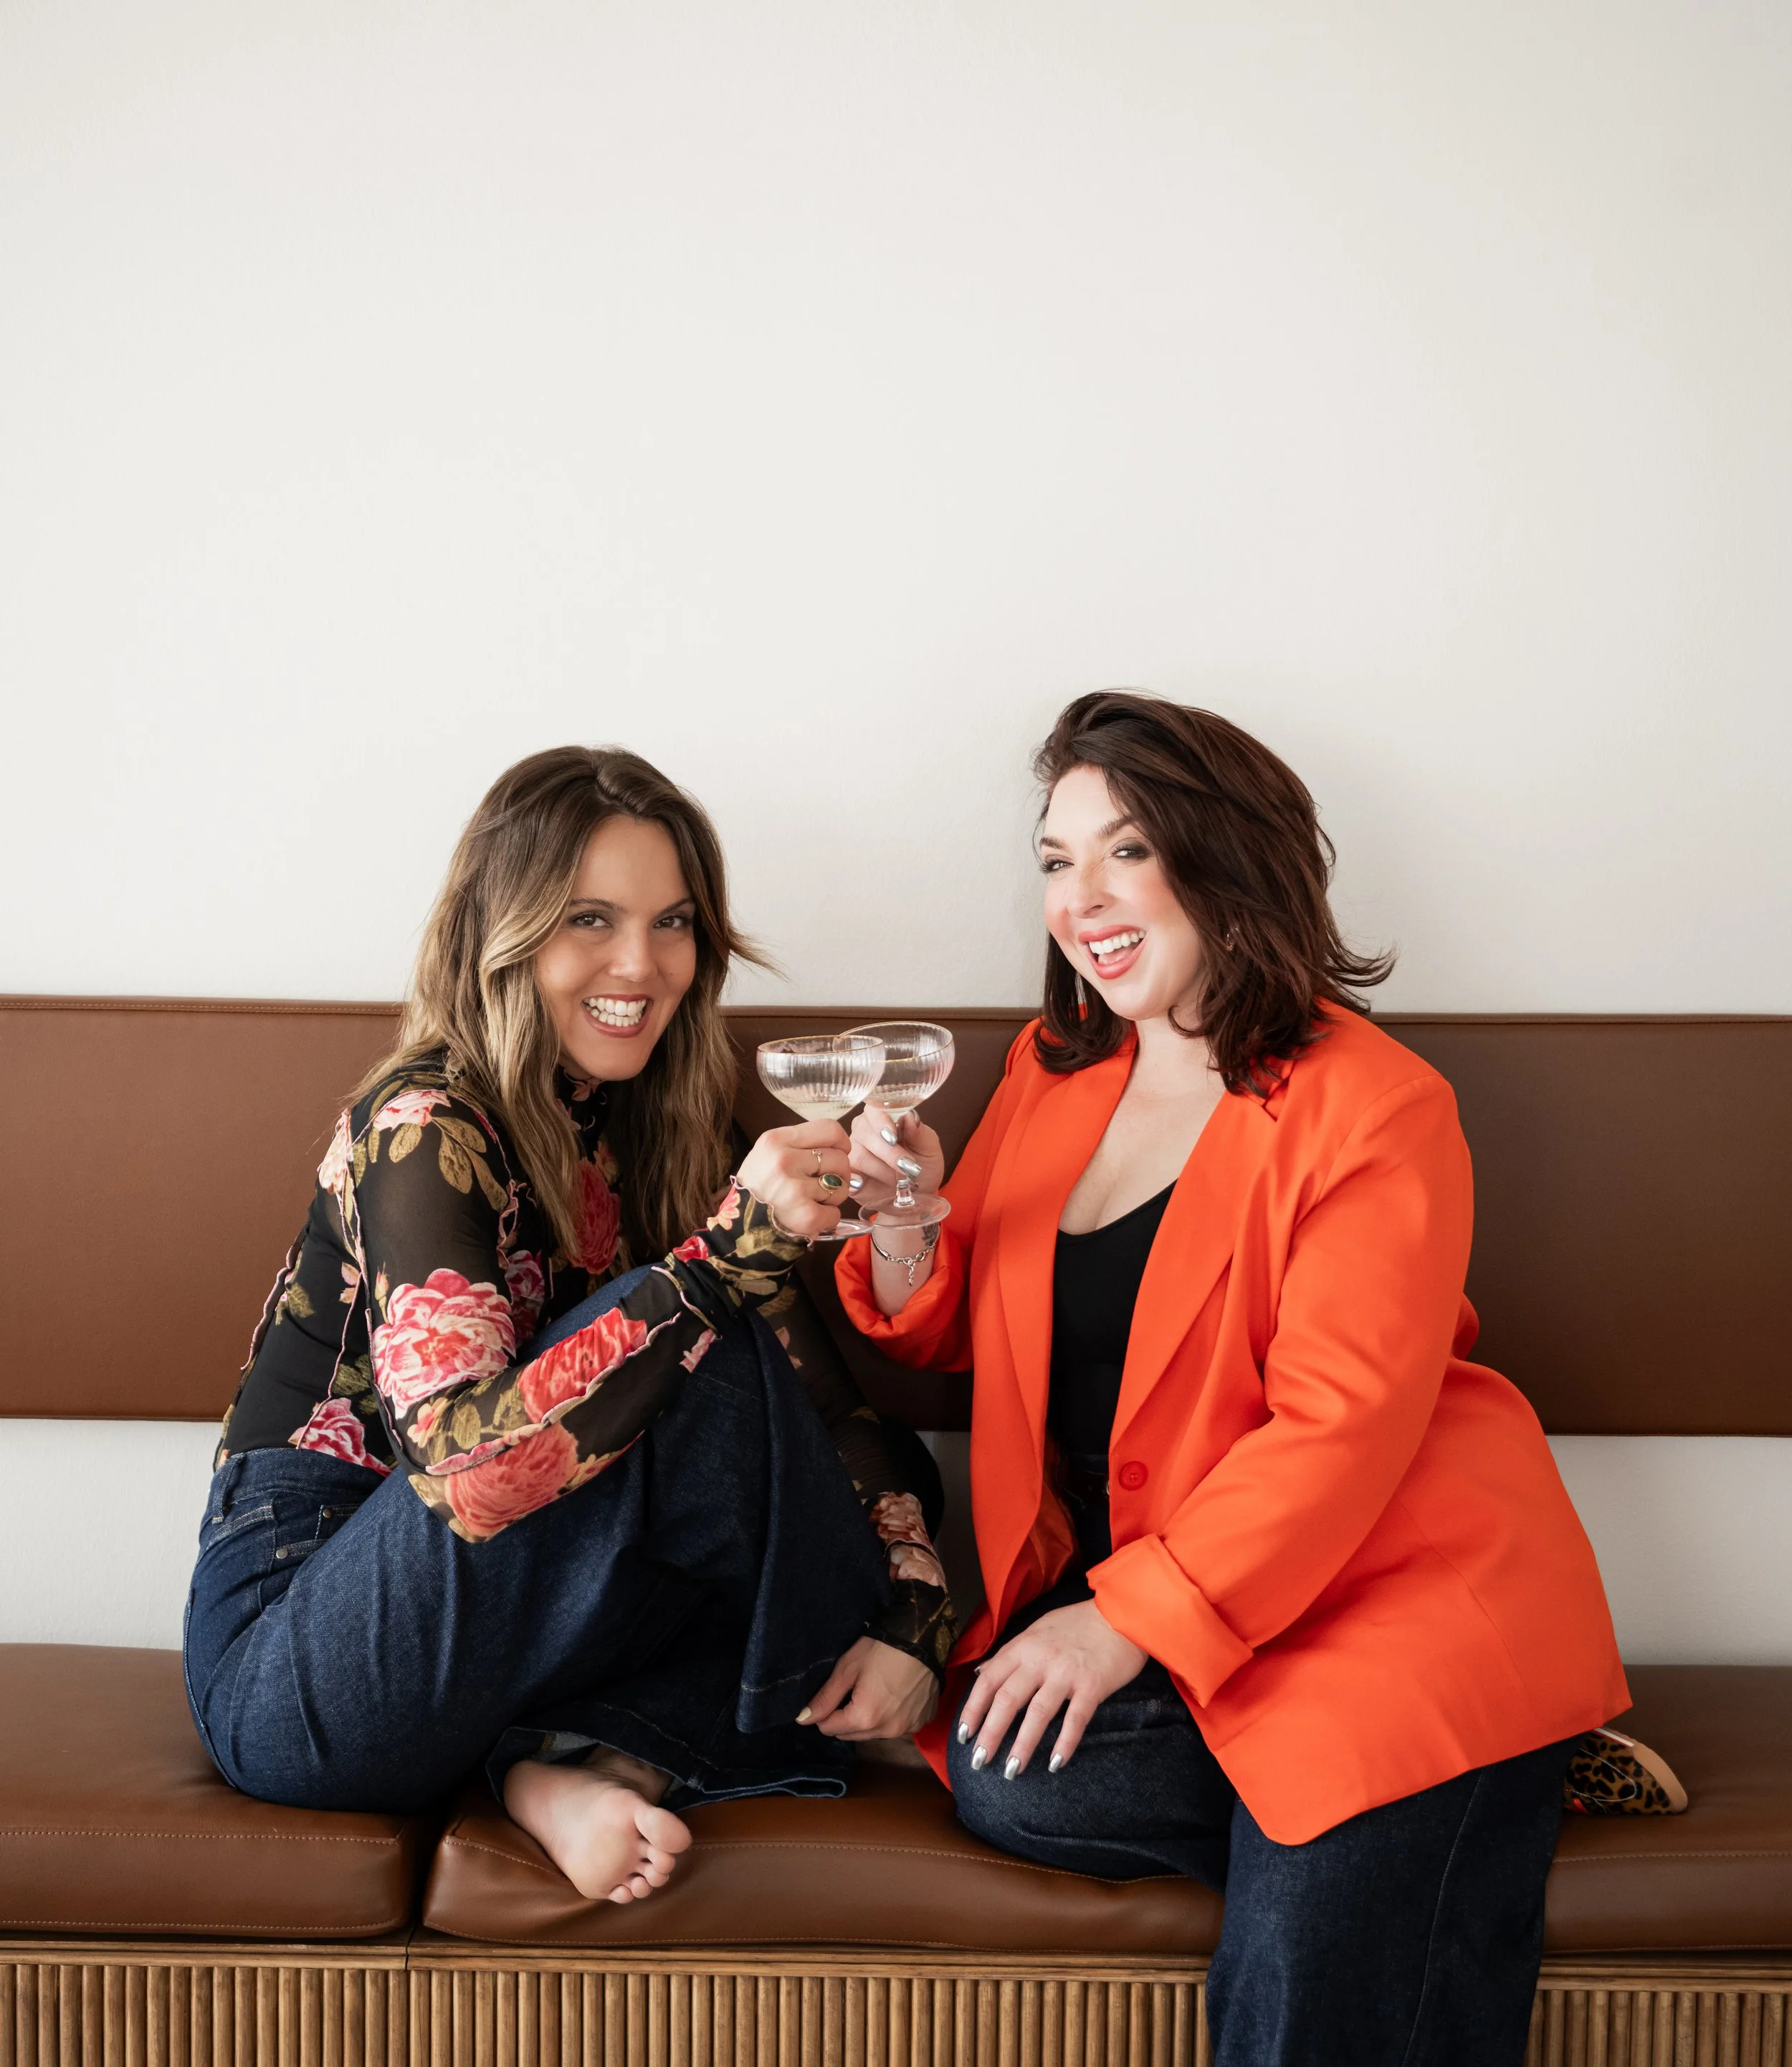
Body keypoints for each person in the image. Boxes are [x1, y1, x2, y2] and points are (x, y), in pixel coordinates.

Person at [835, 692, 1639, 2067]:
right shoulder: (1053, 1068)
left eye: (1126, 850)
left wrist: (1119, 1627)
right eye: (1053, 859)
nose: (1082, 898)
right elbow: (950, 1337)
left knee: (1316, 1895)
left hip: (1388, 1598)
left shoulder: (1376, 1106)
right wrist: (904, 1218)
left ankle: (1473, 1746)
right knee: (1003, 1768)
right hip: (1199, 1618)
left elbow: (1339, 1432)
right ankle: (1499, 1772)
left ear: (1227, 857)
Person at [185, 746, 953, 1908]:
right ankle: (576, 1749)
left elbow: (833, 1419)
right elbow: (469, 1475)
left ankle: (557, 1767)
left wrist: (915, 1611)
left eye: (675, 922)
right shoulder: (422, 1124)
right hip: (312, 1646)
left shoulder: (672, 1131)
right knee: (703, 1339)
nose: (640, 966)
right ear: (507, 930)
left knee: (792, 1506)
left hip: (538, 1620)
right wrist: (720, 1260)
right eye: (589, 919)